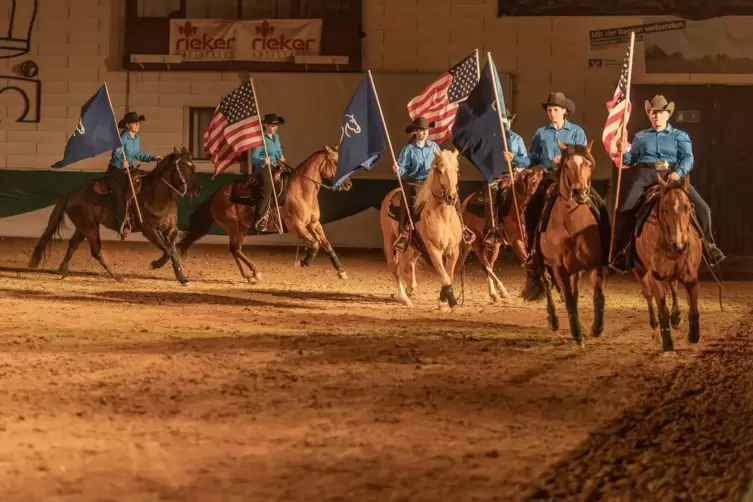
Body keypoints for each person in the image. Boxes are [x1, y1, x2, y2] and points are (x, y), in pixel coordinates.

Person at [610, 95, 725, 271]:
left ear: (668, 115)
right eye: (653, 113)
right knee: (624, 210)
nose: (656, 116)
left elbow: (688, 158)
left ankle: (709, 246)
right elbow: (631, 160)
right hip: (645, 176)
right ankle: (623, 251)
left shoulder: (679, 136)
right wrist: (622, 152)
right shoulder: (640, 137)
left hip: (673, 177)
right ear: (649, 114)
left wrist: (678, 173)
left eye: (660, 113)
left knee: (703, 209)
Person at [523, 92, 587, 266]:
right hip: (549, 177)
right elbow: (533, 158)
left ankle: (600, 246)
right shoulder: (541, 133)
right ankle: (532, 248)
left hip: (573, 179)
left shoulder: (576, 132)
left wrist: (565, 157)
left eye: (555, 109)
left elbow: (582, 155)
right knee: (532, 207)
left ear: (564, 111)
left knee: (597, 206)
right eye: (549, 110)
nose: (551, 113)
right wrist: (515, 159)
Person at [392, 117, 473, 252]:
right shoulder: (408, 150)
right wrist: (397, 170)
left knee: (453, 197)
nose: (424, 133)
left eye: (426, 130)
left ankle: (462, 227)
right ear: (415, 132)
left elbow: (440, 163)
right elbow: (402, 169)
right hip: (415, 182)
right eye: (421, 130)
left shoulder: (434, 147)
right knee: (408, 204)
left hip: (431, 183)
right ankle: (404, 233)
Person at [108, 111, 161, 239]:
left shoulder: (137, 138)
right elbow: (116, 154)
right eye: (134, 123)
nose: (138, 125)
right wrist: (122, 164)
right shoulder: (122, 138)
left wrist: (152, 158)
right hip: (117, 171)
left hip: (130, 169)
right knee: (121, 196)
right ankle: (122, 224)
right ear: (127, 125)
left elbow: (138, 154)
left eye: (138, 123)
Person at [482, 110, 531, 246]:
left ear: (510, 122)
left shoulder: (517, 139)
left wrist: (513, 158)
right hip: (498, 175)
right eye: (501, 122)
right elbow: (485, 159)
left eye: (506, 121)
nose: (504, 124)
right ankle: (493, 228)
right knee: (492, 190)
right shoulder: (490, 139)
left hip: (515, 174)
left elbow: (526, 161)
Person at [249, 113, 286, 233]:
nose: (275, 128)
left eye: (276, 125)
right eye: (272, 125)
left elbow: (278, 149)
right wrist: (263, 160)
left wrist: (280, 156)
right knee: (267, 187)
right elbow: (253, 158)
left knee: (287, 179)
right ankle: (260, 218)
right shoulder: (261, 139)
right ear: (266, 125)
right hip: (262, 167)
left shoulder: (276, 137)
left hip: (274, 164)